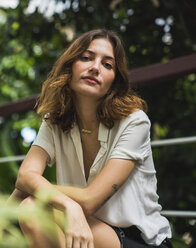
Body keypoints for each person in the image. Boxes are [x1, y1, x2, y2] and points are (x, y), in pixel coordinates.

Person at [9, 29, 172, 248]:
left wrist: (48, 192)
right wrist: (69, 205)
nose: (95, 67)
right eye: (86, 58)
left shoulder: (134, 122)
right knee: (30, 207)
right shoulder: (54, 121)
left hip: (137, 239)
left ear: (114, 81)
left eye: (107, 64)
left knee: (34, 204)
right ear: (69, 67)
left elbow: (88, 200)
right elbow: (24, 178)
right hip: (82, 226)